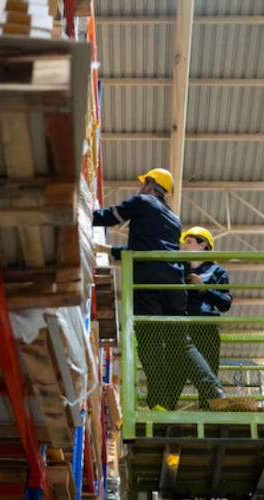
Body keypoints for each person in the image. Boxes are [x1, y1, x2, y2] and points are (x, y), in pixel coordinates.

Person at [93, 169, 225, 411]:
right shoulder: (174, 219)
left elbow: (109, 217)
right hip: (173, 283)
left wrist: (77, 216)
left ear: (151, 185)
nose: (140, 187)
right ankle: (215, 390)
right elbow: (147, 248)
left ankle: (158, 403)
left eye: (144, 183)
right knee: (181, 343)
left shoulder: (142, 201)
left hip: (148, 281)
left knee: (149, 342)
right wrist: (106, 249)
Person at [177, 226, 233, 409]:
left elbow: (225, 302)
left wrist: (204, 288)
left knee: (207, 370)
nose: (184, 247)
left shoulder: (217, 271)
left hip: (205, 327)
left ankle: (208, 410)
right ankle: (165, 408)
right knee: (174, 372)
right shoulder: (178, 270)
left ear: (203, 245)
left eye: (189, 242)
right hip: (180, 327)